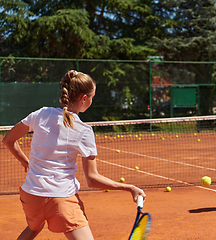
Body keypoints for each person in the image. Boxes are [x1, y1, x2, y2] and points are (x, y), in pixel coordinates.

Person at [2, 70, 146, 239]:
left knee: (34, 227)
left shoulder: (41, 114)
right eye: (92, 97)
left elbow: (8, 140)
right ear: (84, 98)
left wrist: (25, 161)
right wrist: (129, 187)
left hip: (31, 195)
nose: (92, 101)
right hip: (61, 198)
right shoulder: (84, 131)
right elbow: (92, 179)